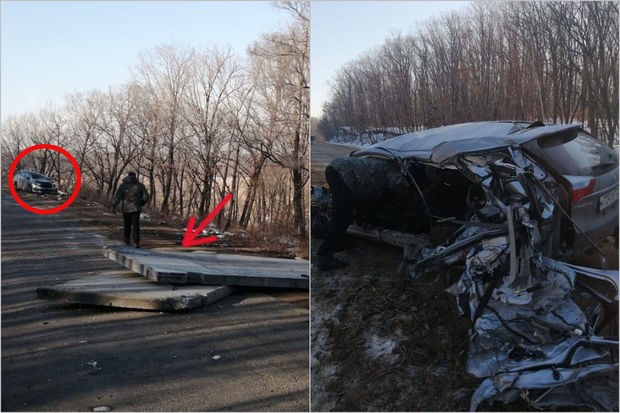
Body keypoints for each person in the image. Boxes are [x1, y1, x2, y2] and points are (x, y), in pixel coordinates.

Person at [317, 156, 412, 270]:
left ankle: (338, 242)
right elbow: (398, 184)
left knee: (342, 215)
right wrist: (411, 194)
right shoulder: (391, 169)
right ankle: (325, 255)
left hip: (335, 168)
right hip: (343, 174)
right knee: (342, 217)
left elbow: (366, 195)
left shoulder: (380, 162)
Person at [110, 172, 150, 248]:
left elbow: (117, 197)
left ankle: (127, 241)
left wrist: (113, 206)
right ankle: (136, 243)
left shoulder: (123, 186)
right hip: (136, 208)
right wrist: (141, 203)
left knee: (127, 225)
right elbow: (146, 197)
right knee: (136, 226)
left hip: (126, 208)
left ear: (128, 176)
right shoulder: (140, 186)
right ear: (135, 177)